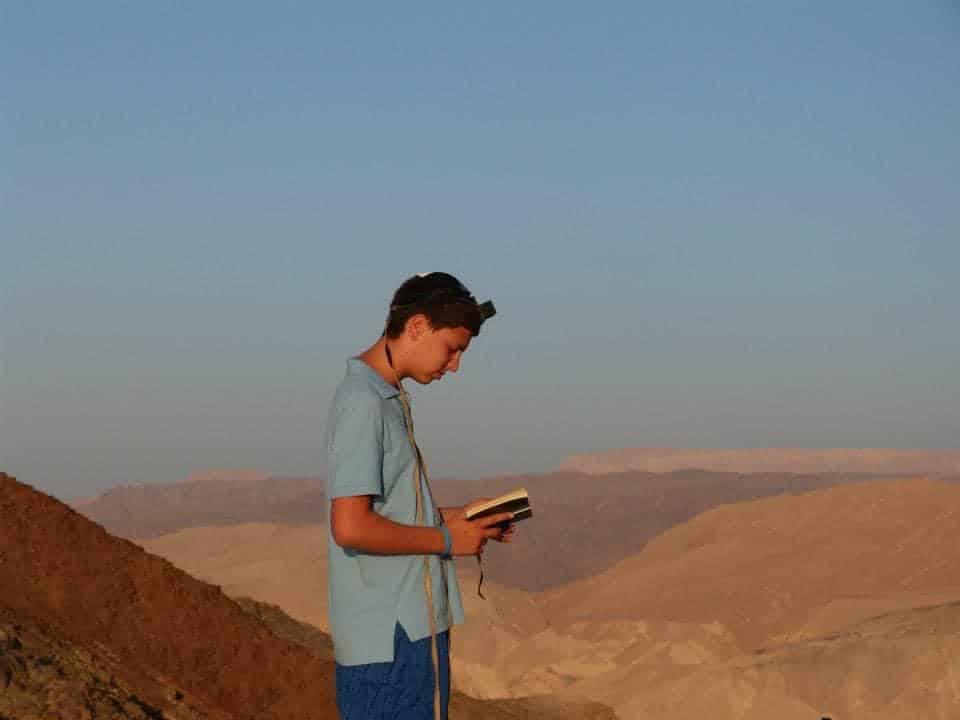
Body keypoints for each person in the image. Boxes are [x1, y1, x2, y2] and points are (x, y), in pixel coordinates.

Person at [326, 272, 514, 720]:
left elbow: (386, 510)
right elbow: (350, 526)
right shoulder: (363, 403)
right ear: (417, 327)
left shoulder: (384, 397)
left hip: (409, 630)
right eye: (452, 349)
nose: (455, 366)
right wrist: (448, 540)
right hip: (388, 640)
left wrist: (463, 518)